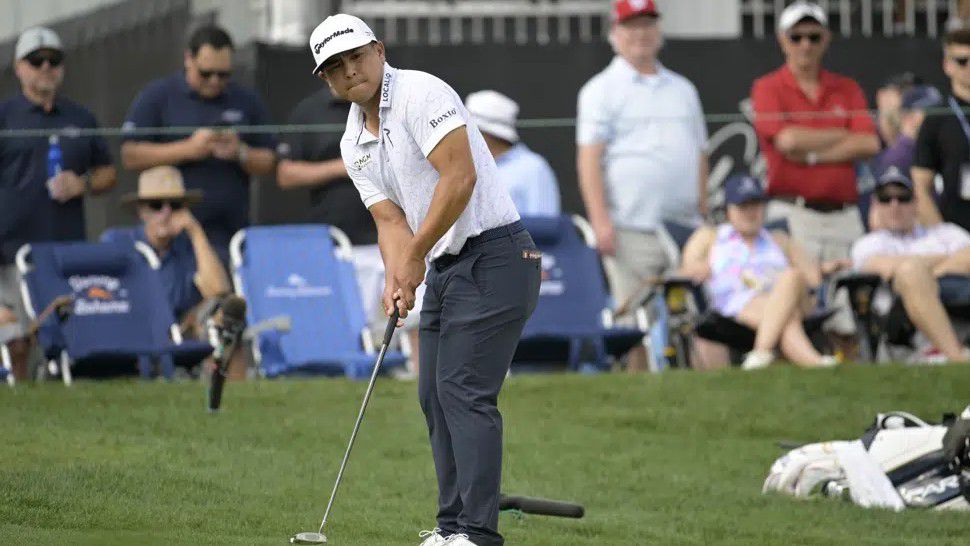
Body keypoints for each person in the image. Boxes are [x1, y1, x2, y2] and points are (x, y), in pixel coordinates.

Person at [310, 13, 540, 546]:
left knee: (463, 391)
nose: (350, 71)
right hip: (446, 266)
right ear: (325, 80)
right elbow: (390, 219)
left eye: (356, 57)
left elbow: (460, 176)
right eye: (335, 67)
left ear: (379, 50)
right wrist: (400, 277)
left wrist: (414, 257)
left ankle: (478, 534)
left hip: (499, 255)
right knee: (433, 397)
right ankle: (451, 526)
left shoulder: (420, 92)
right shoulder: (353, 141)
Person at [576, 0, 709, 372]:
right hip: (629, 226)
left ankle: (706, 391)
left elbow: (699, 152)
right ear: (614, 34)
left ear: (659, 31)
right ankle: (637, 390)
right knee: (633, 317)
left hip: (685, 227)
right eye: (631, 26)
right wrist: (601, 221)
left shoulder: (683, 88)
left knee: (697, 315)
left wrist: (703, 209)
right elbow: (589, 160)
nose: (641, 34)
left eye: (648, 24)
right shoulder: (600, 90)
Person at [0, 27, 117, 380]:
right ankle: (23, 406)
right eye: (37, 61)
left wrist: (80, 183)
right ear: (19, 67)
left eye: (54, 60)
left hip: (65, 253)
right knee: (18, 339)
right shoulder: (5, 117)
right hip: (11, 250)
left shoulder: (80, 117)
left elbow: (108, 173)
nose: (46, 67)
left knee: (65, 337)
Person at [120, 25, 277, 263]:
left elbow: (271, 162)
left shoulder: (246, 100)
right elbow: (130, 155)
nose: (214, 81)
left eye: (223, 74)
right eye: (206, 73)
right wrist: (188, 149)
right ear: (188, 59)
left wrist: (240, 153)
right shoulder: (159, 96)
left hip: (230, 232)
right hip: (171, 233)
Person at [751, 1, 879, 263]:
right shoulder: (767, 87)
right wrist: (843, 132)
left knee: (849, 299)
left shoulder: (846, 87)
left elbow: (868, 144)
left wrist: (810, 155)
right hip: (793, 213)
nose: (805, 44)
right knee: (798, 294)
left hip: (844, 215)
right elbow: (787, 140)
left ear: (826, 39)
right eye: (796, 37)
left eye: (813, 36)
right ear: (782, 40)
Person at [679, 174, 840, 370]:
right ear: (728, 210)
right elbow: (686, 270)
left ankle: (760, 353)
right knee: (784, 317)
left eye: (755, 205)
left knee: (791, 277)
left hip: (789, 298)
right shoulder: (710, 238)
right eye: (743, 206)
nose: (750, 212)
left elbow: (812, 279)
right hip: (735, 306)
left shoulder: (779, 239)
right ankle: (814, 363)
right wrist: (698, 268)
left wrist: (823, 268)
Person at [851, 169, 970, 363]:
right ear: (875, 205)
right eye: (885, 199)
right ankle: (956, 355)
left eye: (903, 198)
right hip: (900, 317)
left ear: (916, 202)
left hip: (958, 299)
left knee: (913, 270)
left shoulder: (946, 233)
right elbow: (886, 268)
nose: (894, 205)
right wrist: (944, 262)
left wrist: (928, 273)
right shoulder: (869, 243)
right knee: (910, 273)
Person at [464, 90, 560, 217]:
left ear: (485, 133)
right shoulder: (465, 165)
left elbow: (544, 228)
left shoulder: (533, 168)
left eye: (467, 129)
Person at [912, 28, 970, 233]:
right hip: (956, 229)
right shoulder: (936, 118)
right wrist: (943, 237)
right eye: (962, 61)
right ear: (948, 65)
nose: (969, 67)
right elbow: (921, 185)